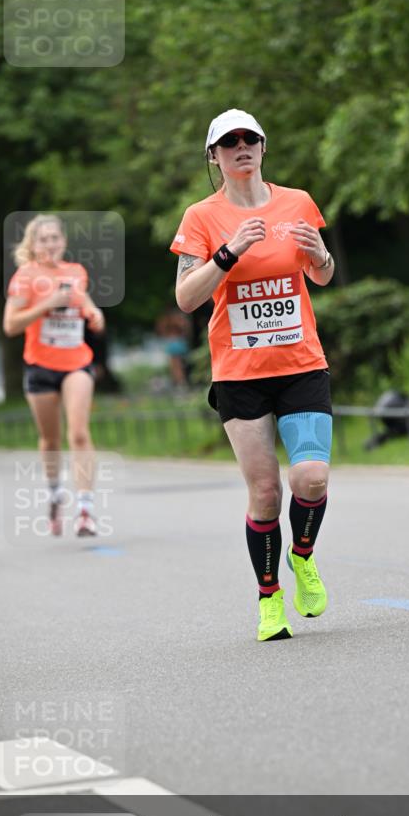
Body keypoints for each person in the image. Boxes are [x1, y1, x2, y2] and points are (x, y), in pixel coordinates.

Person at [170, 109, 335, 641]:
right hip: (240, 373)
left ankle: (302, 555)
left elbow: (322, 275)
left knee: (311, 478)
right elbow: (186, 297)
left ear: (263, 147)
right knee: (265, 493)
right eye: (229, 142)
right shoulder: (202, 217)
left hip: (301, 363)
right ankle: (270, 598)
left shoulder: (297, 202)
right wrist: (229, 252)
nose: (241, 146)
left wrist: (322, 256)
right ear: (214, 156)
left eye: (250, 138)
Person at [3, 213, 105, 535]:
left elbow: (85, 304)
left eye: (55, 238)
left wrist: (94, 314)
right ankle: (54, 492)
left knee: (79, 433)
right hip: (40, 366)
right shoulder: (25, 276)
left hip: (76, 362)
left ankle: (85, 510)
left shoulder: (76, 272)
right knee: (50, 439)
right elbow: (10, 325)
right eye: (43, 239)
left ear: (63, 241)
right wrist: (46, 303)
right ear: (33, 245)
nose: (50, 244)